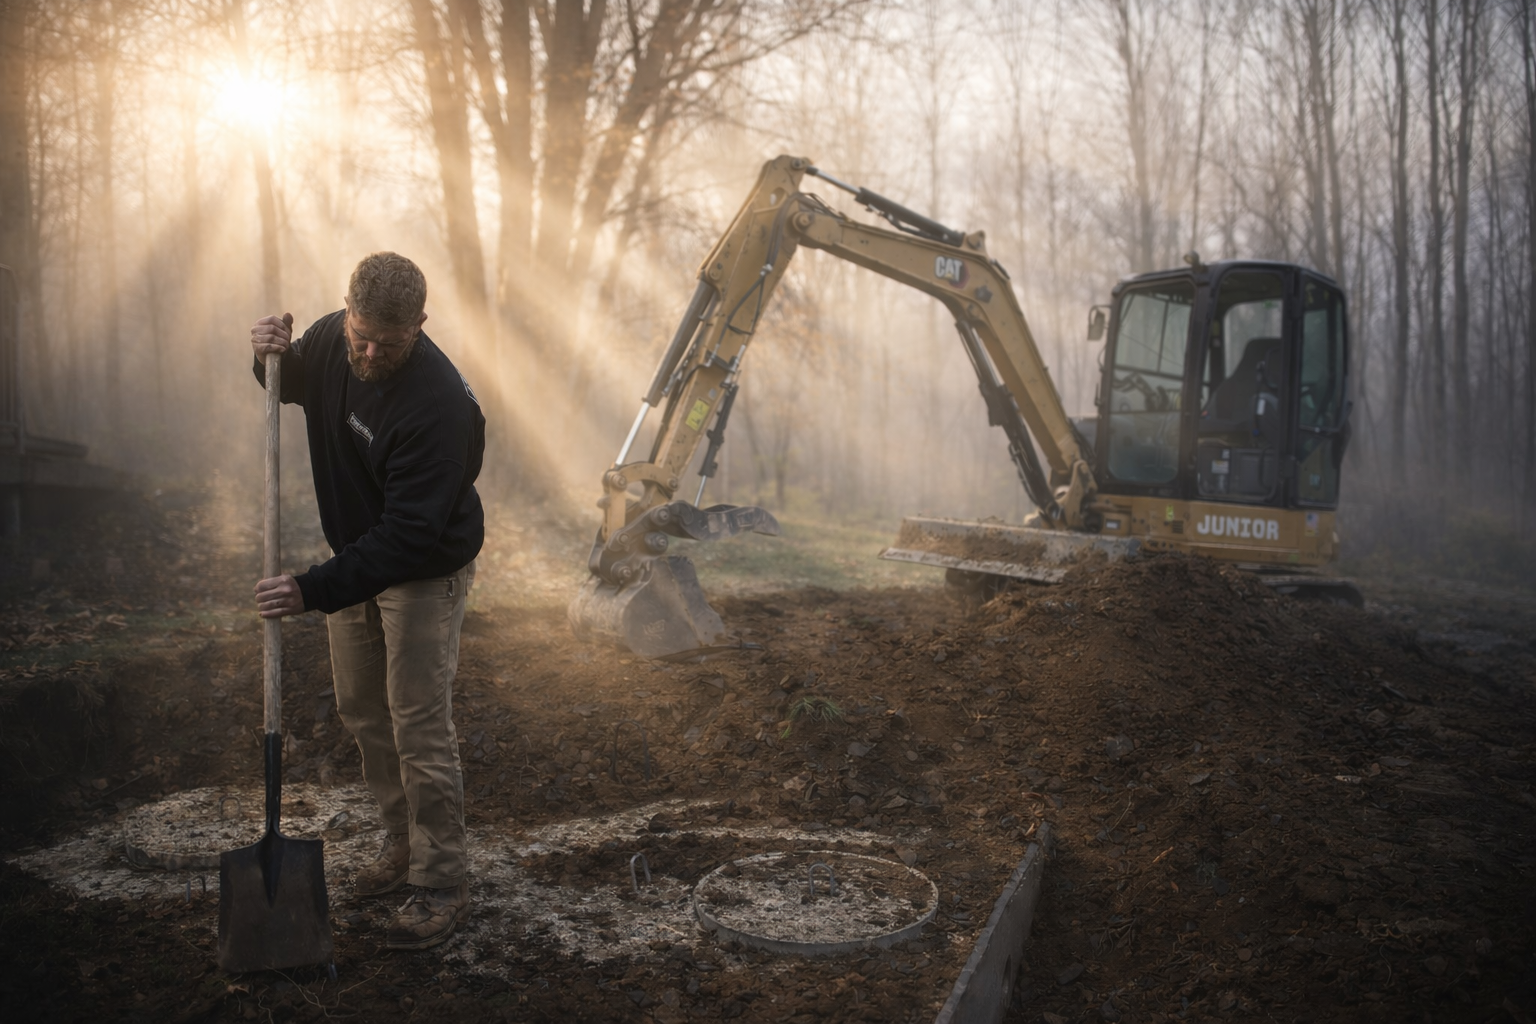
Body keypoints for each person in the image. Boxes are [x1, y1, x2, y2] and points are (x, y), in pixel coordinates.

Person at [248, 252, 485, 951]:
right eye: (362, 336)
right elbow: (289, 383)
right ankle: (401, 843)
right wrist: (267, 356)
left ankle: (441, 879)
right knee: (363, 711)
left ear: (420, 324)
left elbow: (407, 538)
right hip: (356, 557)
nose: (372, 352)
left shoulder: (437, 409)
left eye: (390, 341)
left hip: (422, 571)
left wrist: (312, 588)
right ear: (346, 312)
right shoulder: (331, 337)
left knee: (417, 721)